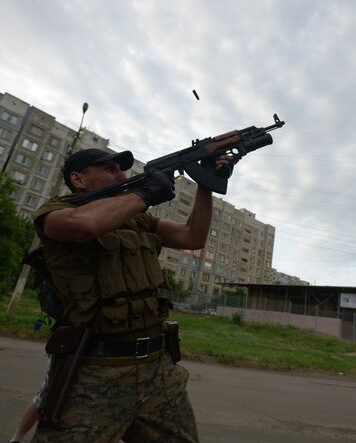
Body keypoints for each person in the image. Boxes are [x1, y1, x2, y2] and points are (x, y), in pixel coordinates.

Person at [30, 148, 229, 442]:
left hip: (157, 370)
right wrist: (144, 196)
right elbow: (84, 227)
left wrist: (206, 182)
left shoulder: (138, 220)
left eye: (121, 169)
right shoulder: (54, 212)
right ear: (78, 179)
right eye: (110, 169)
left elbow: (193, 237)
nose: (122, 175)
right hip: (96, 372)